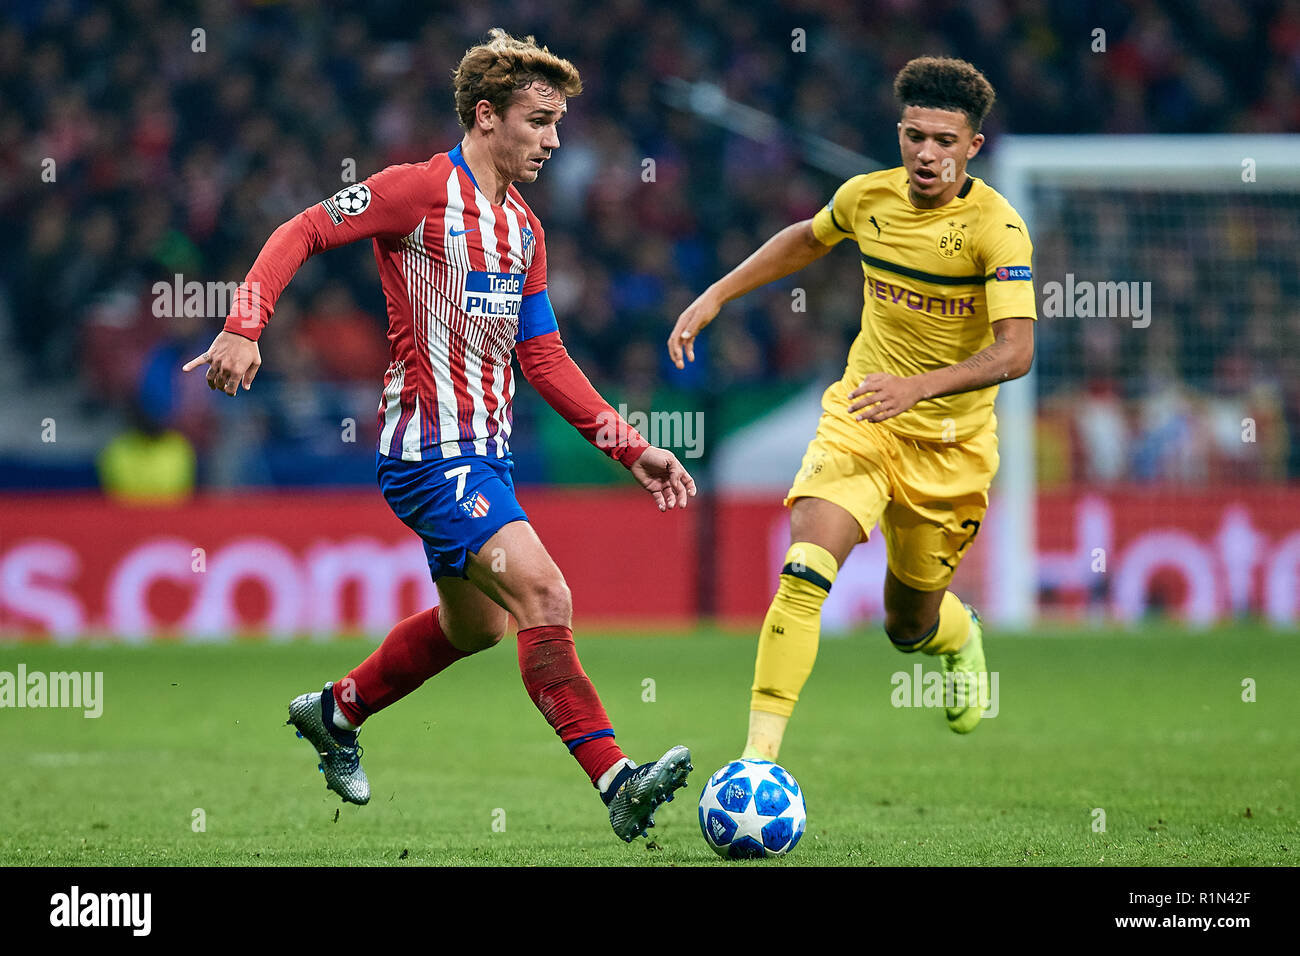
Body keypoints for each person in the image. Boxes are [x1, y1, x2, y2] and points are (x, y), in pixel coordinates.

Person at [184, 29, 695, 842]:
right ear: (487, 117)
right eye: (540, 121)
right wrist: (246, 325)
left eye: (558, 123)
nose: (555, 140)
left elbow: (545, 357)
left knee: (476, 629)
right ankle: (617, 782)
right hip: (429, 454)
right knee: (546, 596)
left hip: (483, 456)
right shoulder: (417, 191)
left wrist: (631, 447)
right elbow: (303, 230)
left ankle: (334, 711)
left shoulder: (523, 229)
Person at [668, 57, 1036, 761]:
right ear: (900, 133)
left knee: (908, 625)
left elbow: (1015, 352)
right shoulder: (869, 197)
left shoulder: (999, 230)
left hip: (951, 447)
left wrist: (920, 387)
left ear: (973, 147)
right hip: (863, 417)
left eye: (944, 141)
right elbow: (808, 238)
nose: (926, 154)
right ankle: (757, 763)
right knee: (805, 571)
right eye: (914, 136)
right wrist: (717, 293)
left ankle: (959, 635)